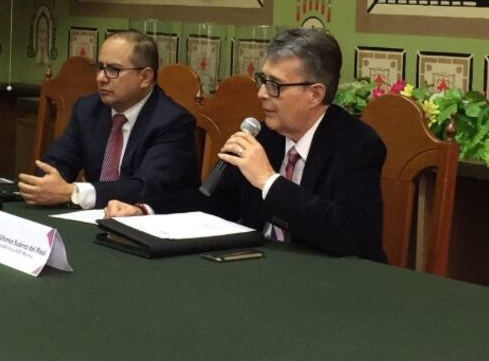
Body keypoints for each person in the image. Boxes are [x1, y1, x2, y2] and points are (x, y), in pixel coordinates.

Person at [105, 28, 387, 262]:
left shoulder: (357, 145)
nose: (262, 93)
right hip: (261, 268)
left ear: (314, 94)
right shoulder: (265, 135)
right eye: (262, 80)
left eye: (275, 85)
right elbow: (213, 202)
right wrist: (144, 210)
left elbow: (348, 234)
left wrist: (268, 181)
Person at [18, 30, 200, 208]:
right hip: (93, 216)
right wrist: (47, 183)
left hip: (148, 222)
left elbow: (146, 188)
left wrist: (74, 193)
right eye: (100, 68)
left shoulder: (173, 122)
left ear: (145, 77)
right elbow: (56, 162)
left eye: (114, 70)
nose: (101, 78)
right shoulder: (88, 109)